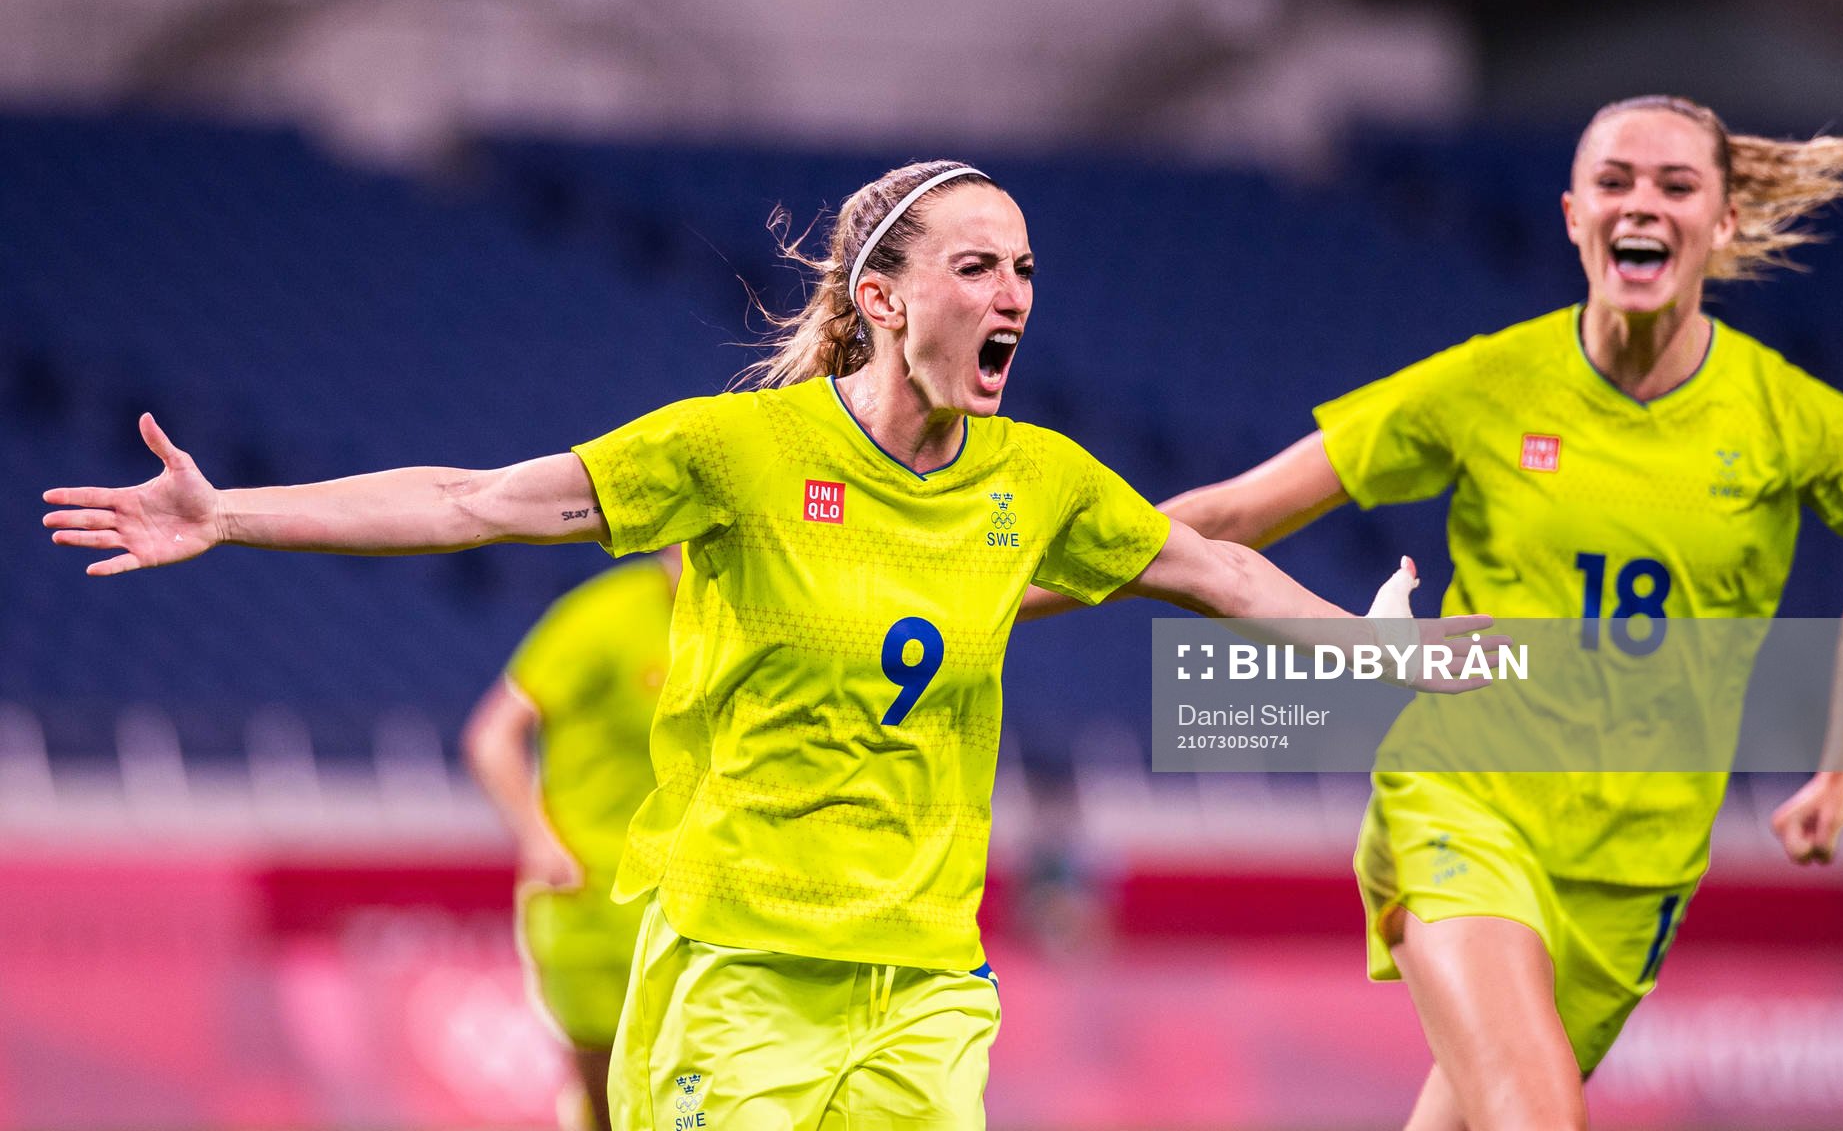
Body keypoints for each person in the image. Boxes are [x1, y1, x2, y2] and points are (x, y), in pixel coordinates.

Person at [43, 159, 1493, 1130]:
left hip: (928, 988)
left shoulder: (1039, 479)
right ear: (881, 297)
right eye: (977, 266)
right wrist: (230, 512)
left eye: (1026, 269)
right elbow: (473, 500)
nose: (1014, 296)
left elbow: (1219, 573)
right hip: (736, 975)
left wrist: (1387, 660)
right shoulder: (736, 454)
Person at [1091, 97, 1843, 1130]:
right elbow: (1232, 510)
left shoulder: (1791, 417)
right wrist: (1003, 587)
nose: (1641, 204)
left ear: (1726, 223)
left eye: (1675, 185)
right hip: (1466, 803)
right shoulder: (1493, 381)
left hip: (1635, 875)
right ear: (1574, 215)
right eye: (1615, 181)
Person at [462, 551, 681, 1131]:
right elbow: (493, 734)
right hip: (591, 894)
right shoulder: (602, 616)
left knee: (690, 1086)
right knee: (607, 1091)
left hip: (695, 899)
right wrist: (539, 839)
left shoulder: (750, 618)